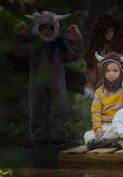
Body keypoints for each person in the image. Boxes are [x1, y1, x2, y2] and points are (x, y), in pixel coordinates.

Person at [13, 11, 82, 146]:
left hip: (57, 83)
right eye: (43, 28)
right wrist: (20, 36)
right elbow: (20, 52)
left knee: (58, 108)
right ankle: (38, 137)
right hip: (37, 83)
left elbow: (72, 54)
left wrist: (74, 39)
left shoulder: (59, 45)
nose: (46, 31)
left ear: (55, 28)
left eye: (49, 28)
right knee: (37, 108)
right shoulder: (33, 45)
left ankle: (58, 136)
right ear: (38, 29)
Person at [83, 51, 123, 145]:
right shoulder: (99, 92)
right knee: (88, 136)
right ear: (103, 72)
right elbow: (95, 112)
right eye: (108, 71)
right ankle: (113, 142)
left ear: (121, 71)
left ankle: (114, 142)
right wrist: (97, 128)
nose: (111, 74)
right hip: (106, 127)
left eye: (115, 71)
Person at [84, 14, 123, 99]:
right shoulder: (97, 49)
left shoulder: (122, 50)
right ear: (101, 33)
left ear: (116, 32)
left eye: (111, 31)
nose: (108, 34)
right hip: (101, 90)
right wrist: (90, 85)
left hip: (119, 91)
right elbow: (91, 70)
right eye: (105, 31)